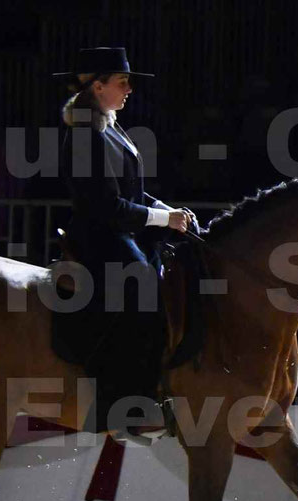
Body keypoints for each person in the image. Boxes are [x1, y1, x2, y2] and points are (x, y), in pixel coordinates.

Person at [55, 47, 194, 431]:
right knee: (140, 283)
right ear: (98, 86)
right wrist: (163, 218)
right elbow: (106, 205)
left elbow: (132, 193)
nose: (129, 89)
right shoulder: (85, 135)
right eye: (122, 82)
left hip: (122, 229)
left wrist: (169, 211)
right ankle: (121, 403)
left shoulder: (111, 127)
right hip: (100, 235)